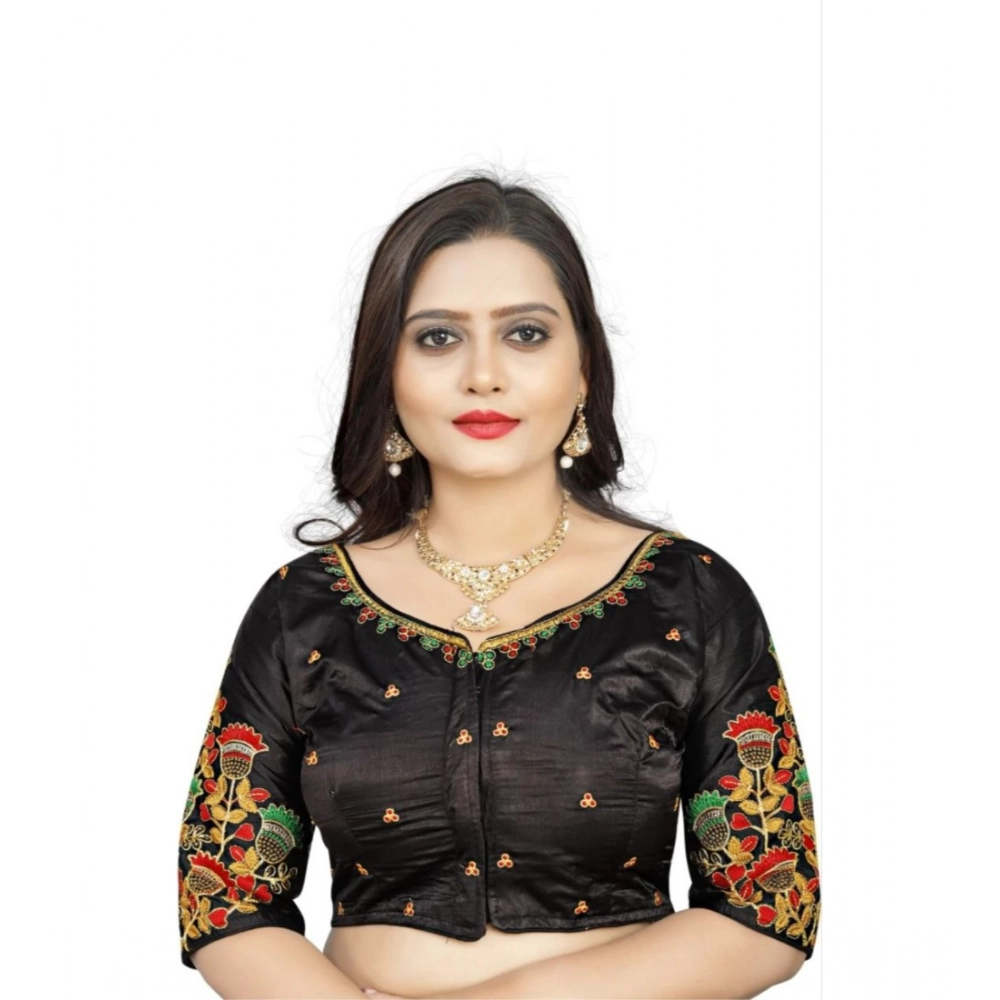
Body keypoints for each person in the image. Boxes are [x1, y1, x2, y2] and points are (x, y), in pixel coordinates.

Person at [176, 171, 820, 999]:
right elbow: (223, 895)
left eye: (525, 333)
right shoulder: (303, 608)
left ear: (583, 368)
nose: (483, 375)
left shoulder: (689, 595)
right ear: (386, 372)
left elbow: (770, 904)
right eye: (438, 338)